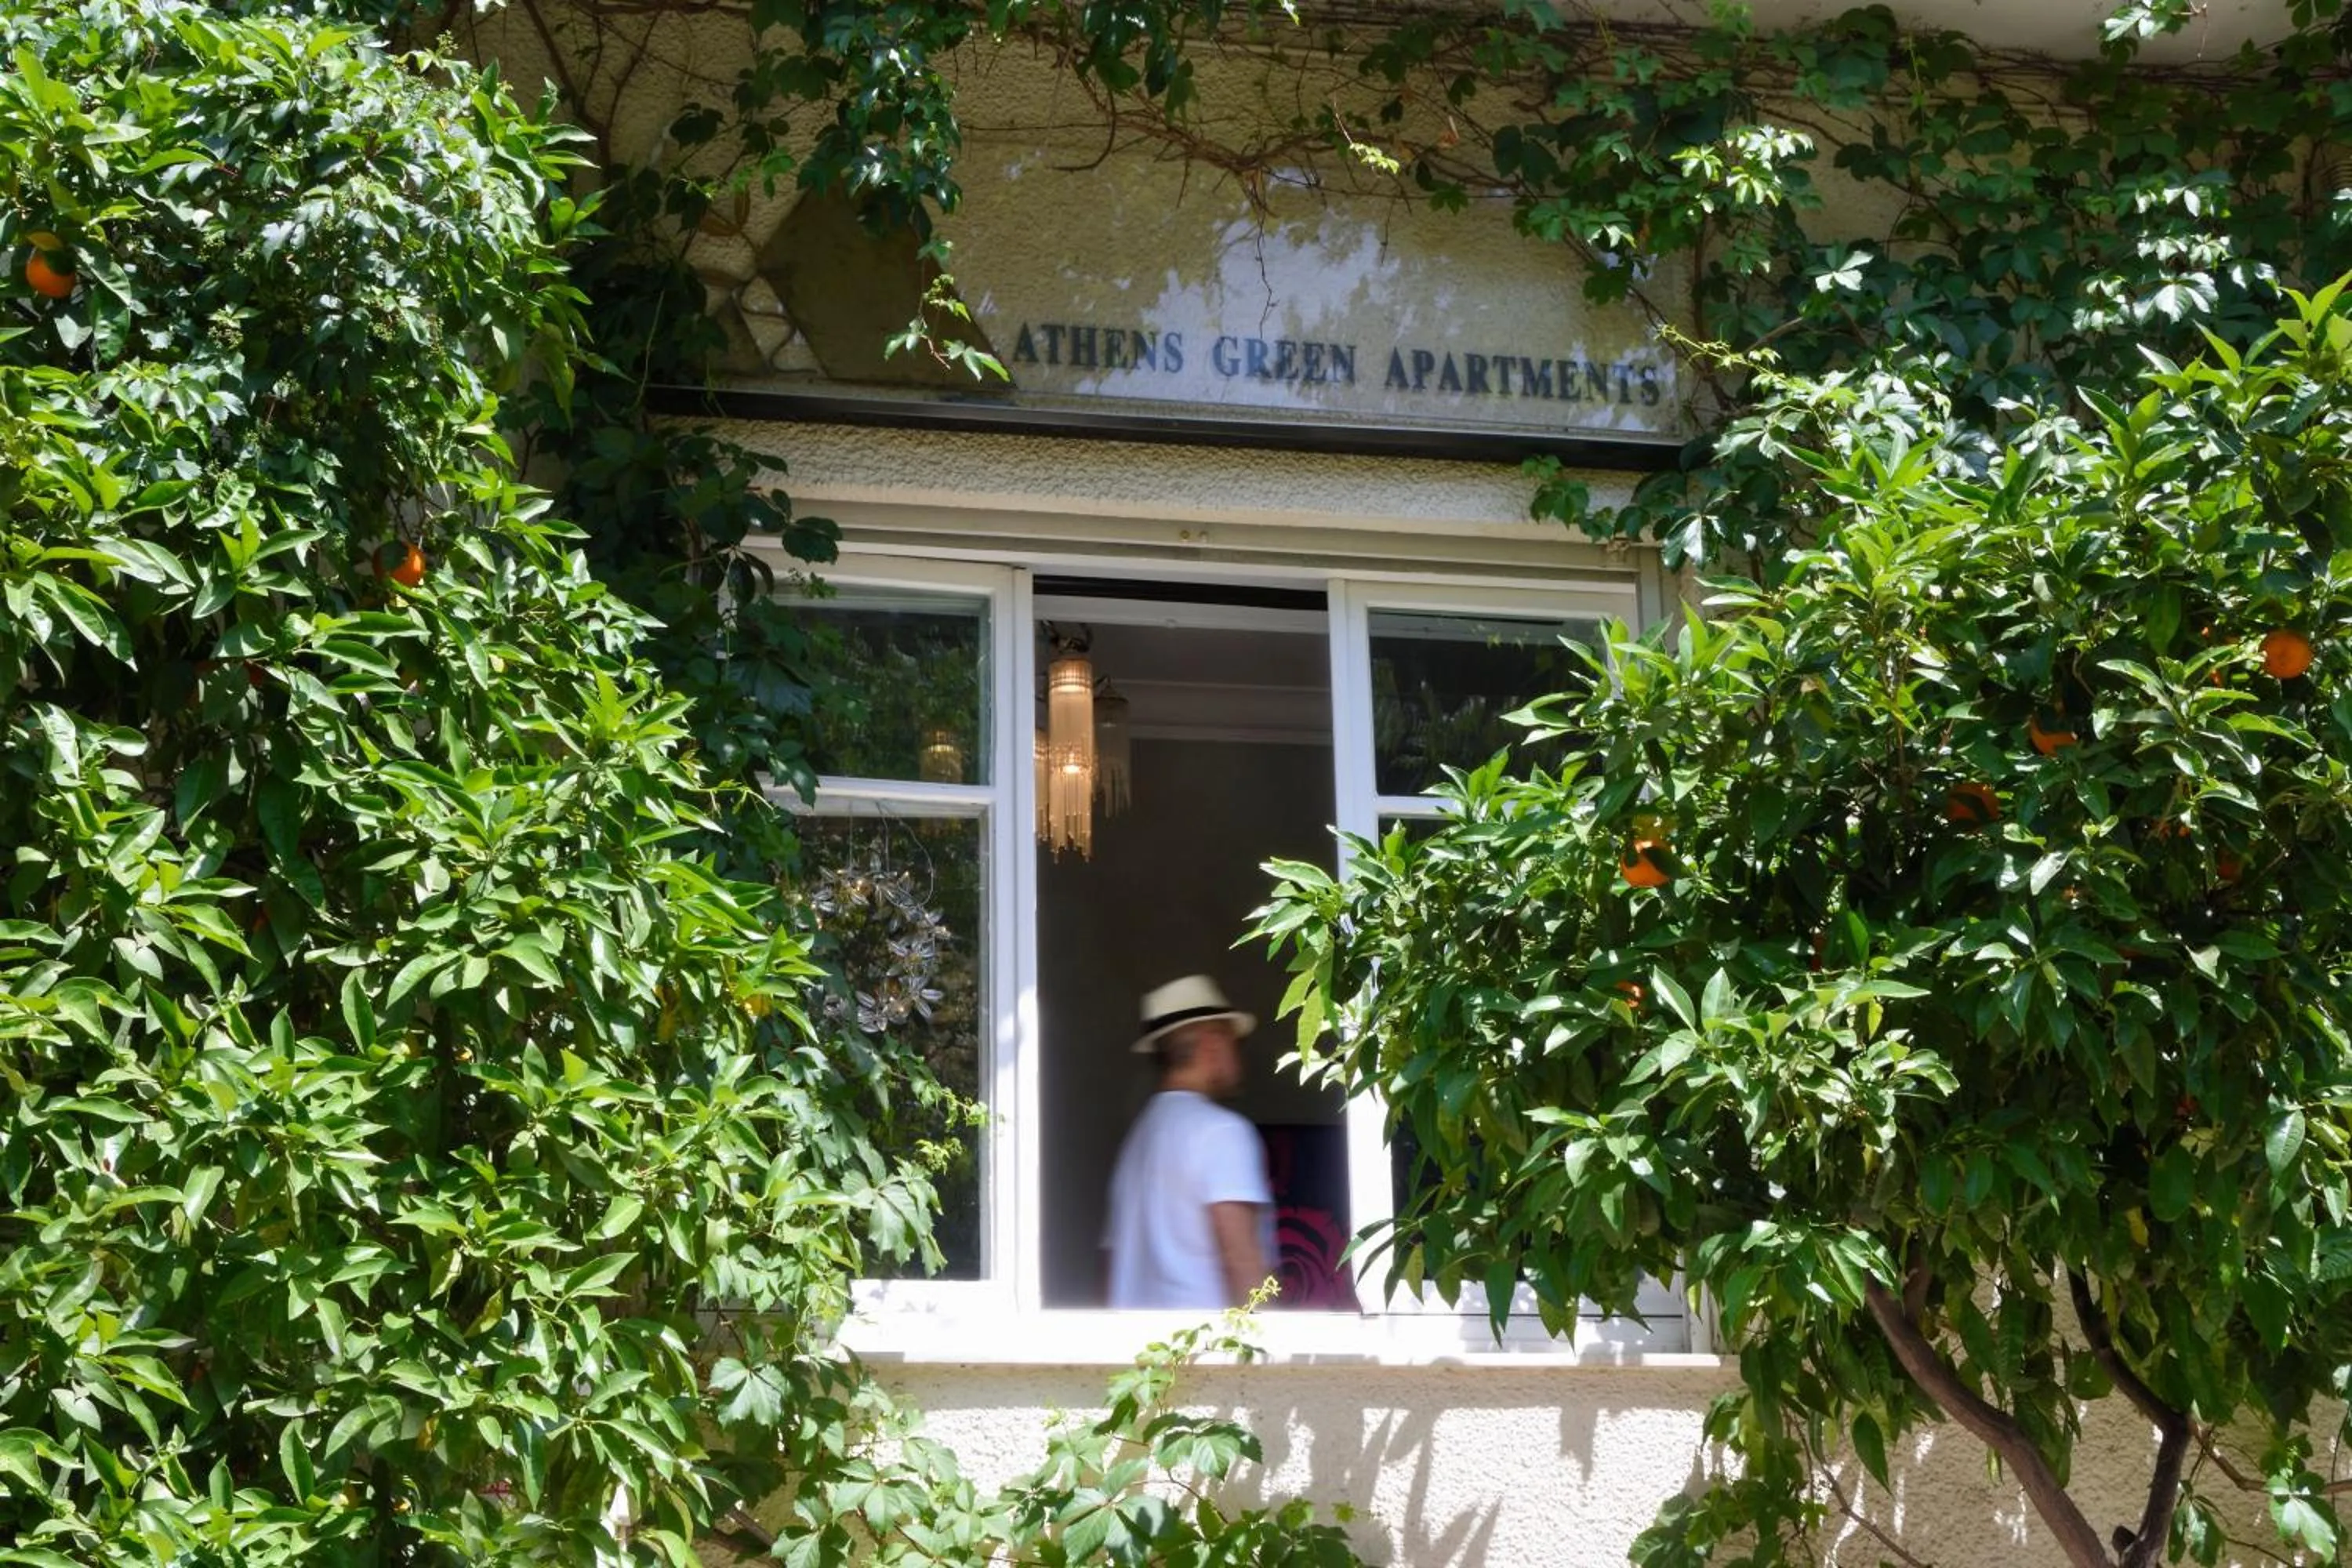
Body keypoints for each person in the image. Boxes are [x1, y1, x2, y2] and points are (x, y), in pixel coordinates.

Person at [1102, 975, 1276, 1309]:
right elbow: (1243, 1264)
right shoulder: (1222, 1133)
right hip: (1206, 1354)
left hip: (1138, 1358)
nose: (1239, 1057)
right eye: (1235, 1042)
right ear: (1213, 1043)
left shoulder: (1135, 1143)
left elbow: (1110, 1268)